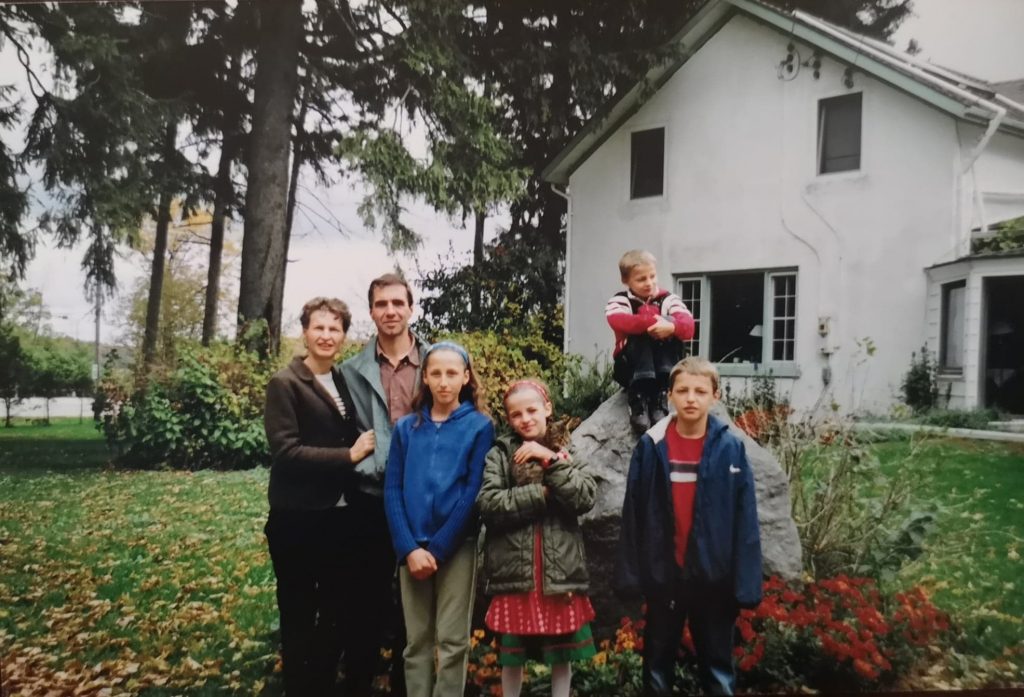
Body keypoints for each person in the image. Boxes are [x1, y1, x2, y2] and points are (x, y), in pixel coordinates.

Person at [615, 357, 763, 696]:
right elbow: (634, 513)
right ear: (670, 395)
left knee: (717, 669)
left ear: (716, 396)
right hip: (664, 577)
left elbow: (746, 520)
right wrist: (630, 574)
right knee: (656, 666)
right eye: (682, 390)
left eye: (700, 391)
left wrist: (746, 582)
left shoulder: (730, 448)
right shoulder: (652, 447)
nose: (691, 398)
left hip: (714, 579)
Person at [263, 297, 378, 696]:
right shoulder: (286, 383)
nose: (327, 336)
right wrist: (349, 455)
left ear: (344, 335)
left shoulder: (343, 378)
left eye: (335, 328)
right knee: (298, 615)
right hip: (297, 518)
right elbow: (287, 451)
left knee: (333, 612)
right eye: (319, 327)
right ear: (305, 332)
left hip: (338, 518)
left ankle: (323, 684)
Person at [384, 341, 495, 697]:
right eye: (436, 373)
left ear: (465, 377)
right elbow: (393, 491)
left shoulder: (479, 427)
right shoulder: (405, 429)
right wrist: (408, 547)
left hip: (456, 547)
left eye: (451, 373)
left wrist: (441, 547)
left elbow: (473, 491)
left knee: (452, 640)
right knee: (415, 641)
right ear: (425, 378)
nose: (444, 381)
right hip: (411, 548)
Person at [478, 379, 598, 697]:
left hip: (559, 573)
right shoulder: (500, 455)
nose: (525, 419)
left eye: (532, 410)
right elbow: (489, 504)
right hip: (513, 574)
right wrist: (542, 494)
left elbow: (584, 496)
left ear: (547, 408)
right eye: (516, 414)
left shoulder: (568, 451)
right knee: (512, 656)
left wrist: (550, 461)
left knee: (562, 653)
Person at [341, 273, 426, 696]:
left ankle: (406, 684)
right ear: (371, 311)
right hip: (370, 498)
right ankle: (358, 679)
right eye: (381, 304)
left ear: (411, 308)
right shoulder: (351, 371)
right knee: (366, 596)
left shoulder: (437, 364)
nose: (390, 311)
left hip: (422, 499)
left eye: (397, 303)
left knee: (416, 599)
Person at [606, 249, 695, 433]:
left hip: (663, 368)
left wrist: (672, 326)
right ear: (626, 280)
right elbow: (619, 321)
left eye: (652, 276)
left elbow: (689, 327)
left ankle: (660, 396)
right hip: (630, 368)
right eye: (641, 279)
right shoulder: (620, 301)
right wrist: (655, 320)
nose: (649, 283)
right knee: (642, 334)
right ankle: (638, 397)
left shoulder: (667, 299)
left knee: (671, 331)